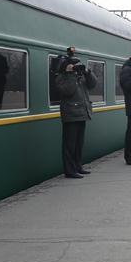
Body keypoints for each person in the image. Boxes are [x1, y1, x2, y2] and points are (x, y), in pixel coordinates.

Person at [54, 49, 97, 179]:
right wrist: (70, 74)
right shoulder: (61, 78)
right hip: (70, 114)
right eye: (74, 65)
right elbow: (68, 91)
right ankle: (69, 170)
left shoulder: (80, 76)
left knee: (79, 143)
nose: (76, 67)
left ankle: (78, 166)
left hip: (82, 113)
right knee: (69, 145)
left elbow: (93, 84)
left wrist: (87, 72)